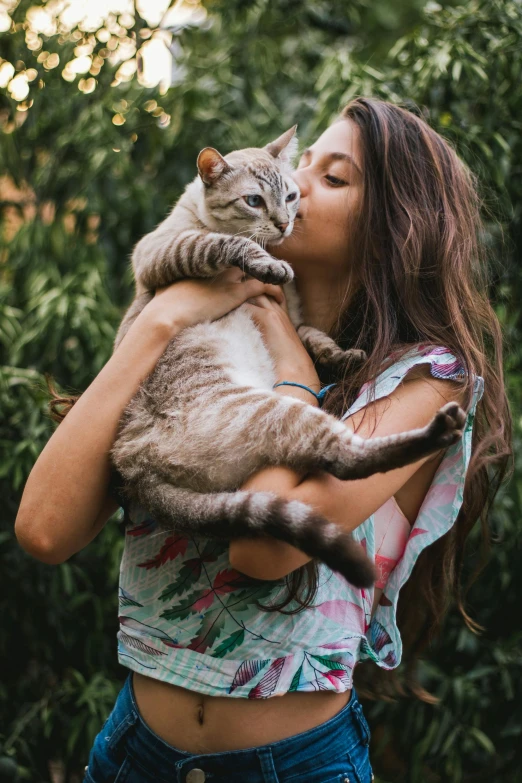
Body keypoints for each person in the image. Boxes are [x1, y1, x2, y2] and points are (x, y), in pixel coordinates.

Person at [15, 97, 511, 783]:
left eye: (333, 178)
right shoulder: (196, 331)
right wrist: (159, 321)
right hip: (134, 753)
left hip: (297, 767)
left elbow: (264, 548)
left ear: (396, 225)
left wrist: (290, 355)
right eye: (300, 163)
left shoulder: (427, 382)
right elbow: (44, 529)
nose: (296, 182)